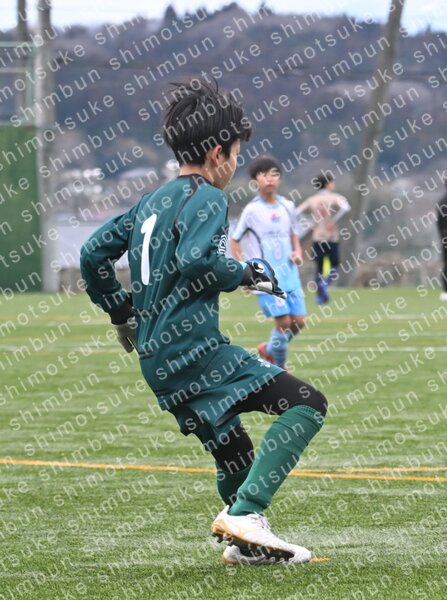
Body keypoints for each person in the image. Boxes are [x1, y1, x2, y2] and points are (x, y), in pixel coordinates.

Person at [80, 80, 327, 566]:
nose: (236, 164)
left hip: (157, 360)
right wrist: (246, 274)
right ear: (218, 153)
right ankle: (246, 514)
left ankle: (243, 544)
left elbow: (92, 255)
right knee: (307, 404)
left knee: (232, 448)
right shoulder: (208, 198)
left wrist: (121, 313)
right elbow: (198, 261)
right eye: (236, 155)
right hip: (194, 351)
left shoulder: (151, 201)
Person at [229, 157, 305, 369]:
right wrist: (244, 270)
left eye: (274, 174)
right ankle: (280, 368)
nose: (269, 179)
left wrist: (297, 252)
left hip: (290, 274)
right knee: (283, 322)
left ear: (280, 179)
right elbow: (234, 240)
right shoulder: (252, 210)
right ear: (255, 180)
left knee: (298, 322)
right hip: (265, 277)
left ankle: (269, 351)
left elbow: (294, 234)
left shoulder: (288, 206)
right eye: (263, 175)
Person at [296, 173, 350, 304]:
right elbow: (346, 208)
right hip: (332, 237)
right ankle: (325, 284)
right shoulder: (335, 197)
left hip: (317, 238)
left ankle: (320, 297)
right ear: (328, 184)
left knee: (319, 267)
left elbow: (296, 212)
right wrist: (334, 220)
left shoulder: (312, 199)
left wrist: (309, 224)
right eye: (332, 182)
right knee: (334, 265)